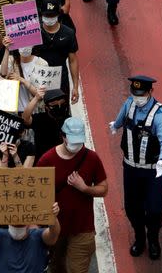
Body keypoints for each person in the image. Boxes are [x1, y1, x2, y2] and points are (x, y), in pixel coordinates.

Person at [110, 75, 162, 260]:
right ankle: (140, 237)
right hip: (131, 168)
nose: (137, 98)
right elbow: (121, 119)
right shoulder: (129, 104)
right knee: (132, 207)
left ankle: (153, 239)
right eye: (134, 93)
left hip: (153, 170)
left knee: (154, 209)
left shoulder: (160, 114)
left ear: (150, 92)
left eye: (141, 94)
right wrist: (115, 124)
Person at [37, 117, 108, 273]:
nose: (77, 145)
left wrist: (85, 188)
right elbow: (37, 194)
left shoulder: (92, 158)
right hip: (56, 228)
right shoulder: (46, 160)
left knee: (77, 270)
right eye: (73, 141)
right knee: (56, 267)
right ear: (63, 137)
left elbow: (104, 189)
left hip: (83, 228)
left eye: (79, 141)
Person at [0, 201, 61, 273]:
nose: (18, 224)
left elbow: (53, 234)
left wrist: (53, 217)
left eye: (21, 224)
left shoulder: (38, 236)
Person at [23, 88, 72, 161]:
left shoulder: (69, 120)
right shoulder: (40, 118)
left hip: (64, 160)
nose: (59, 107)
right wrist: (36, 98)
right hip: (44, 161)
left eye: (62, 104)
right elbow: (25, 118)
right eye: (55, 105)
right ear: (46, 107)